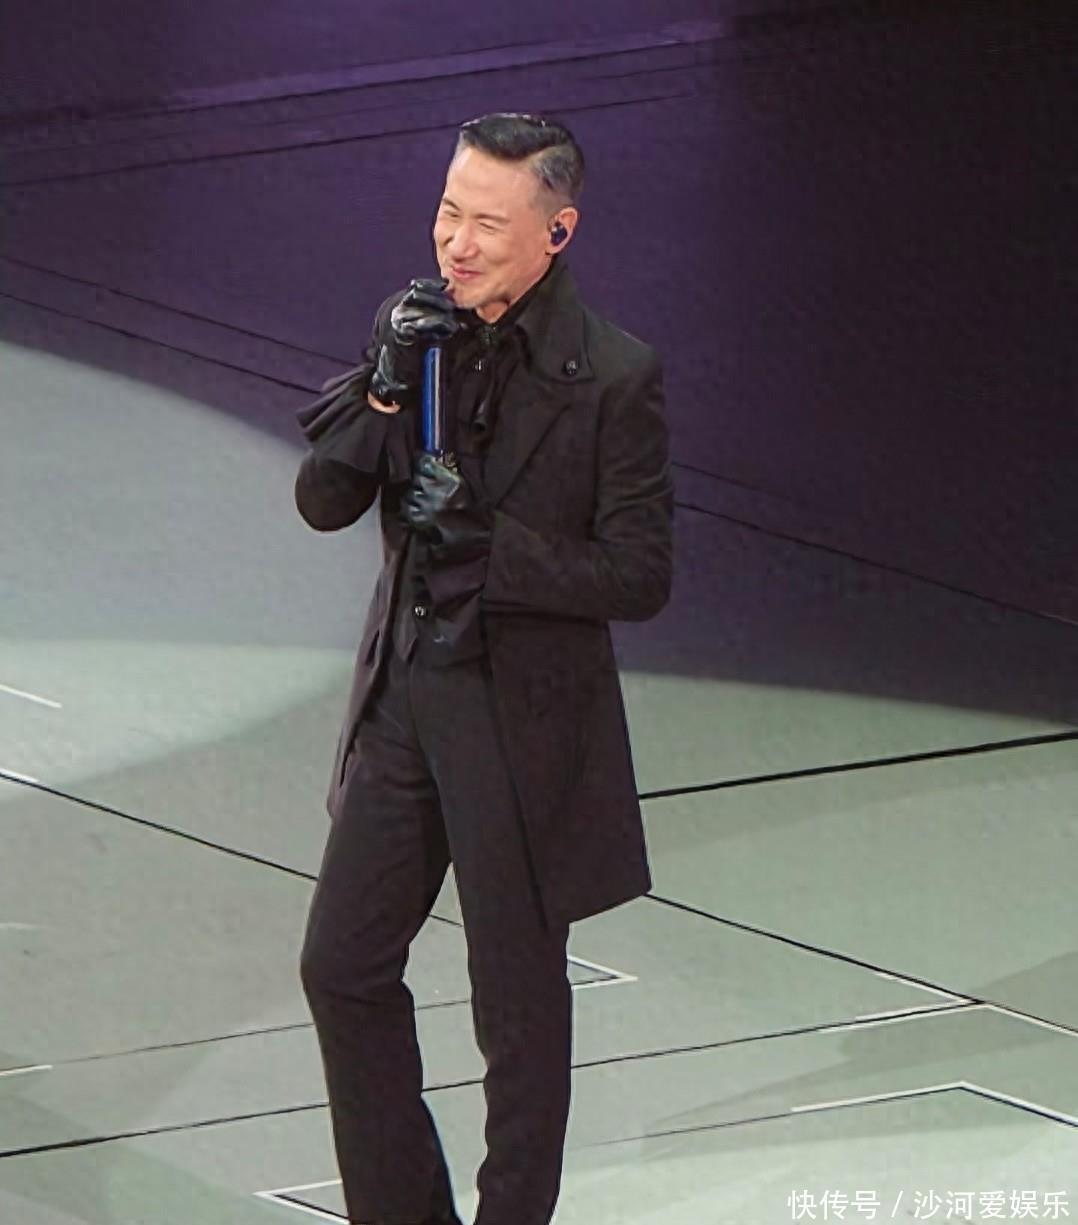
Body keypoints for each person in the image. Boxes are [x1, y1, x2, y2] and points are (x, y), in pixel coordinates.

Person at [293, 111, 674, 1225]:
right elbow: (322, 501)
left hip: (520, 727)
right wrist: (380, 386)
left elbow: (639, 573)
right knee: (341, 966)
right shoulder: (417, 333)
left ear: (556, 232)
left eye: (487, 225)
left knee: (514, 1006)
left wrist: (489, 544)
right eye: (448, 212)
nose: (456, 243)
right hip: (407, 697)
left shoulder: (612, 377)